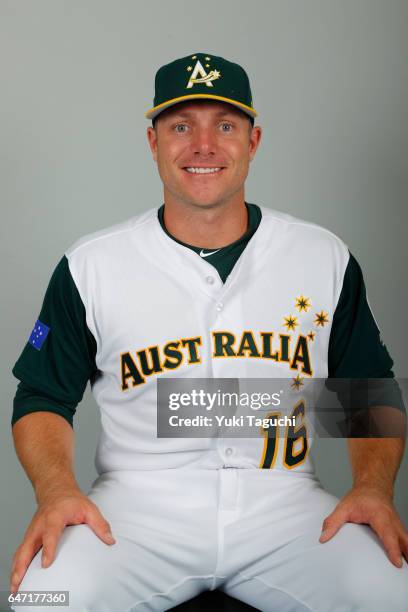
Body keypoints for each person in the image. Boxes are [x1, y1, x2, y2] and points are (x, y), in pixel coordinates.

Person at [10, 52, 408, 611]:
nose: (203, 146)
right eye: (180, 126)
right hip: (136, 509)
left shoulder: (321, 256)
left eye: (225, 125)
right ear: (153, 143)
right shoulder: (91, 264)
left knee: (392, 595)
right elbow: (41, 396)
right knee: (46, 598)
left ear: (254, 140)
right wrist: (57, 491)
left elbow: (366, 391)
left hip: (286, 507)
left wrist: (372, 488)